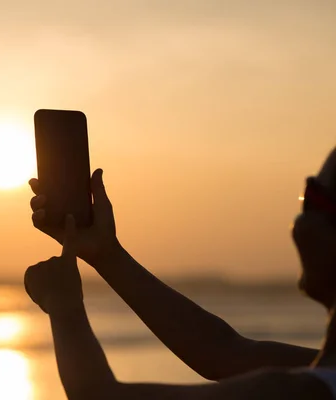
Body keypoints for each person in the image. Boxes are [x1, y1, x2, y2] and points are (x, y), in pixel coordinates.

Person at [24, 147, 336, 399]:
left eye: (311, 198)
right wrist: (106, 254)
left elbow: (98, 395)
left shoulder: (300, 391)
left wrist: (64, 307)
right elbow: (222, 352)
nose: (299, 222)